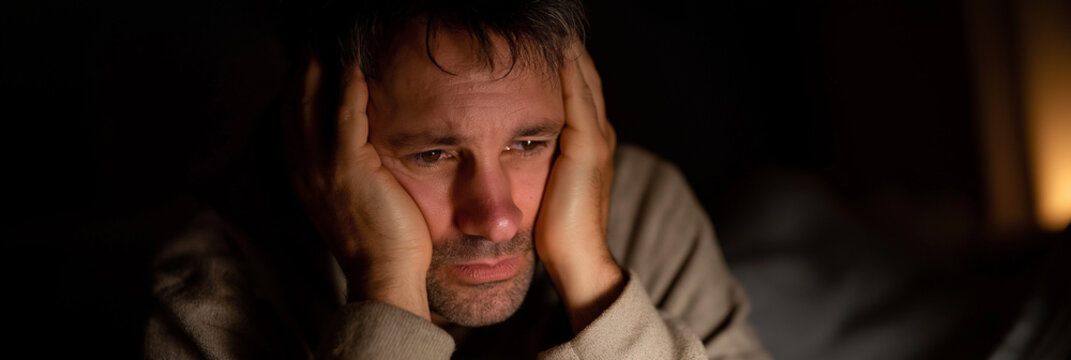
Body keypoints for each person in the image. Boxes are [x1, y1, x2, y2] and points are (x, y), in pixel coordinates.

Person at [145, 1, 768, 358]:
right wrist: (386, 286)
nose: (497, 218)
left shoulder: (643, 206)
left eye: (529, 143)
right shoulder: (212, 286)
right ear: (321, 135)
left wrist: (594, 283)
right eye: (433, 155)